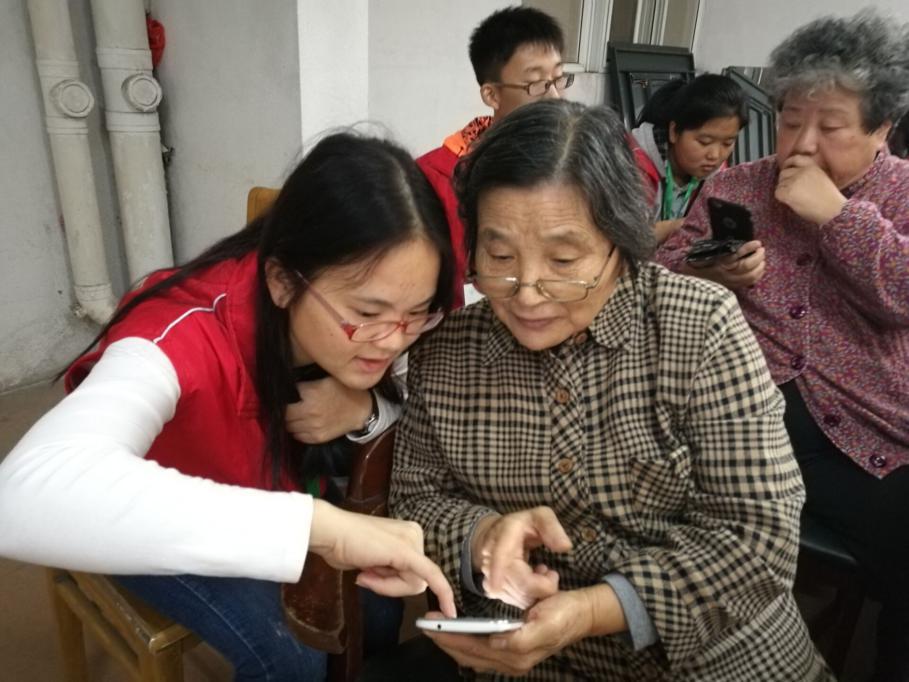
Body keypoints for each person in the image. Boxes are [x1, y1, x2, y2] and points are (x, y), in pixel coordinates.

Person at [390, 99, 831, 680]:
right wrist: (483, 537)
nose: (527, 292)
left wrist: (595, 610)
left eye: (563, 259)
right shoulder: (447, 353)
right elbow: (414, 502)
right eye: (499, 257)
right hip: (531, 664)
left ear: (620, 243)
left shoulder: (700, 326)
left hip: (720, 659)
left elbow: (758, 535)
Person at [0, 132, 457, 680]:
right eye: (367, 313)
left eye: (417, 313)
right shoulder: (179, 337)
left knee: (377, 611)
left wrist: (366, 410)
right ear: (283, 282)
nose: (392, 341)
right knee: (290, 658)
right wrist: (319, 526)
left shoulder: (364, 326)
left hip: (269, 491)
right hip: (152, 516)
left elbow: (418, 411)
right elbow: (25, 496)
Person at [654, 11, 909, 681]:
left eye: (831, 127)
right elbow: (664, 271)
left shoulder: (902, 194)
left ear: (882, 129)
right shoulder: (737, 184)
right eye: (791, 121)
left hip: (867, 427)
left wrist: (838, 217)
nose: (802, 144)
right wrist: (713, 269)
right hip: (741, 415)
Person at [417, 6, 571, 306]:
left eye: (558, 79)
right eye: (537, 84)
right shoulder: (433, 179)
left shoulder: (576, 166)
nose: (554, 97)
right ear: (492, 95)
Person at [629, 73, 747, 242]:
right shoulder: (630, 166)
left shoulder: (718, 176)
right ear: (674, 132)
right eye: (704, 142)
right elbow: (616, 240)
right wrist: (677, 227)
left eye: (727, 143)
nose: (715, 155)